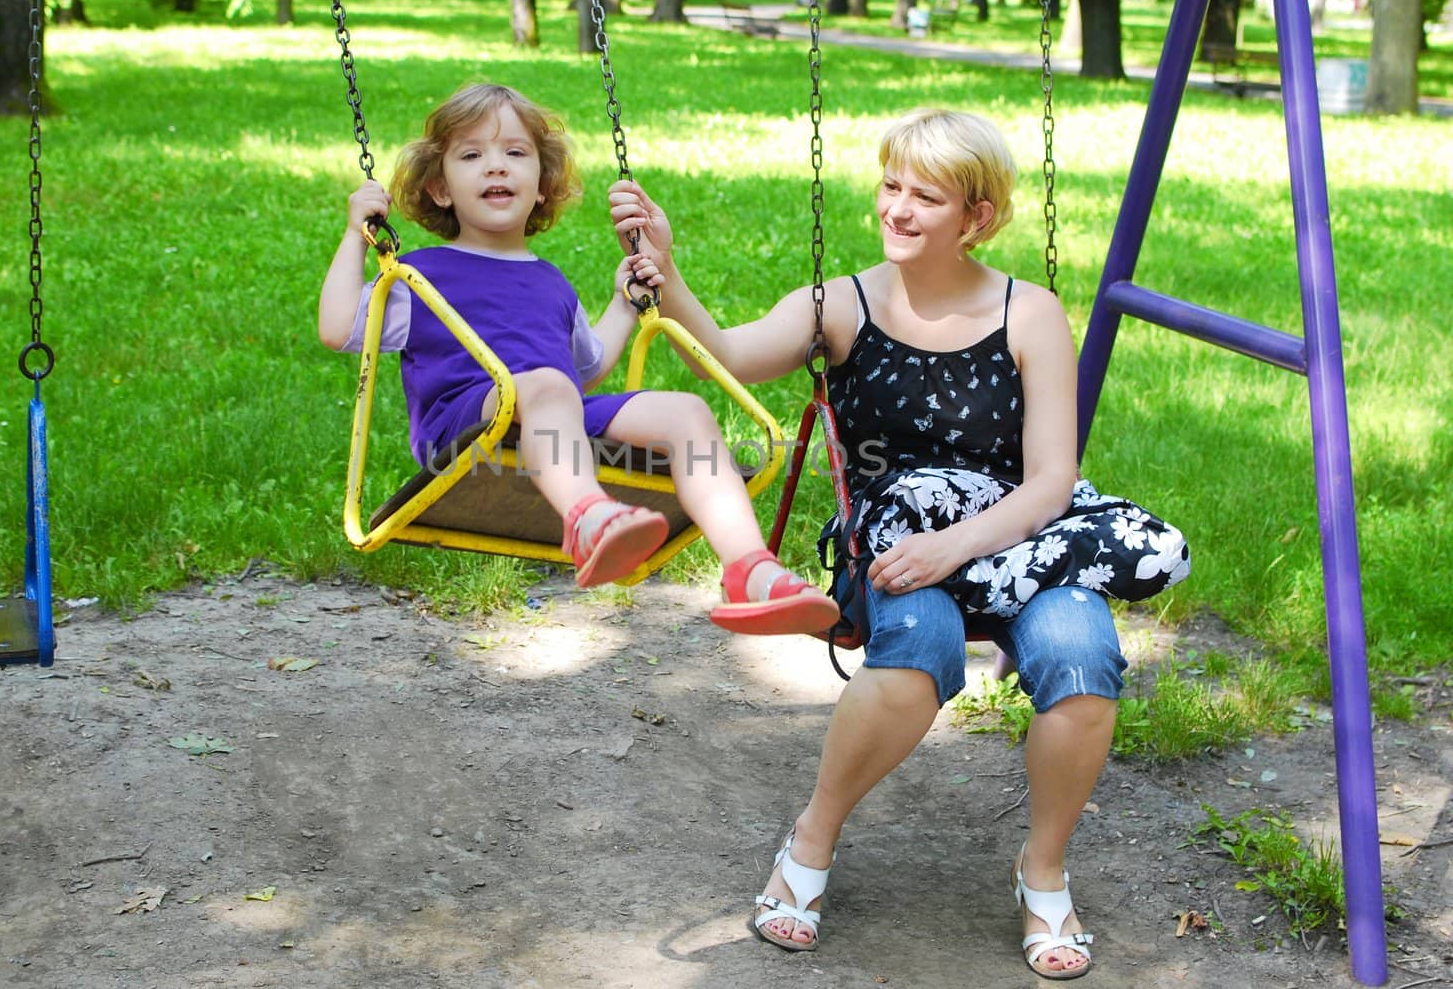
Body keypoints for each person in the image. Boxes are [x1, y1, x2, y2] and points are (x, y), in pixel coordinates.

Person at [608, 108, 1189, 979]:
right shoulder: (841, 303)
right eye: (891, 187)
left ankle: (1043, 868)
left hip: (1016, 536)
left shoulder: (1029, 314)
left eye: (926, 196)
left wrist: (956, 547)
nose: (898, 209)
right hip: (891, 542)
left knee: (1083, 652)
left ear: (978, 217)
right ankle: (812, 838)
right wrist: (669, 271)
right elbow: (728, 352)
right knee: (919, 642)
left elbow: (1049, 484)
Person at [317, 82, 839, 636]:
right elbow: (338, 328)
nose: (496, 168)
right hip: (464, 424)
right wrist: (356, 236)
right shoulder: (420, 274)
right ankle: (589, 518)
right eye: (472, 156)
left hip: (550, 410)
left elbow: (584, 370)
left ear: (542, 185)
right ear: (440, 189)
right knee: (543, 385)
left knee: (685, 411)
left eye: (515, 154)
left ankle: (750, 571)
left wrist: (624, 304)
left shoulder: (551, 282)